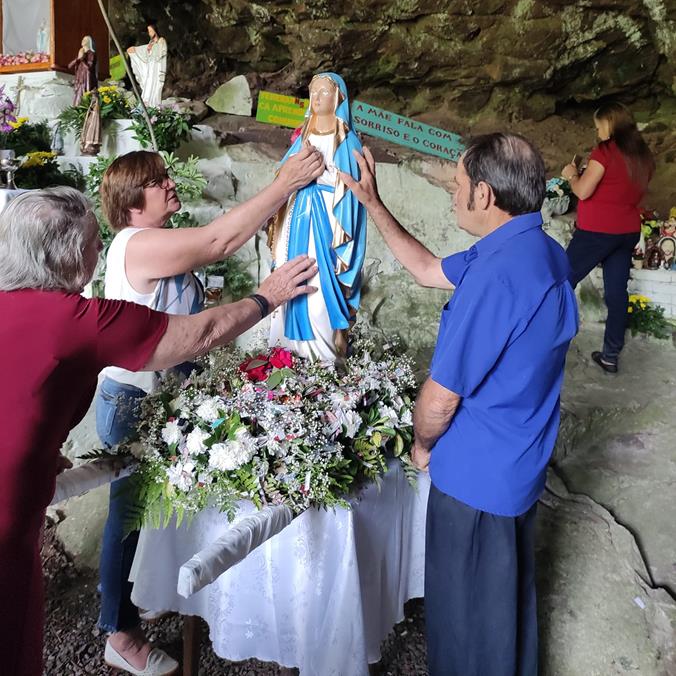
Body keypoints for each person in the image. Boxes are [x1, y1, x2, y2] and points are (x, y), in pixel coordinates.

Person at [0, 187, 317, 676]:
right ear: (65, 255)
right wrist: (268, 295)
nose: (97, 251)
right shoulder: (73, 319)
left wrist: (35, 448)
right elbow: (198, 335)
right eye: (90, 243)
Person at [340, 133, 579, 676]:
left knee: (464, 625)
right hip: (517, 471)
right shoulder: (535, 249)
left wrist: (422, 446)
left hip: (475, 481)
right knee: (504, 610)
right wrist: (373, 203)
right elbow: (427, 270)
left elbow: (440, 399)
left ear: (485, 195)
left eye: (458, 185)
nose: (453, 193)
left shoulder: (496, 278)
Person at [96, 145, 324, 674]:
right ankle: (118, 632)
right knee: (125, 520)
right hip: (134, 398)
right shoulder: (136, 244)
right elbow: (218, 241)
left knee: (152, 510)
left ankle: (143, 594)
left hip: (161, 393)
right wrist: (285, 183)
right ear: (133, 204)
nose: (170, 183)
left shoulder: (157, 243)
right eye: (157, 181)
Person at [268, 72, 366, 362]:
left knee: (319, 290)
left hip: (329, 223)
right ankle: (285, 356)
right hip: (298, 217)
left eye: (324, 92)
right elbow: (283, 175)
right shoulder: (304, 135)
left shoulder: (346, 140)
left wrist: (317, 172)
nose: (317, 97)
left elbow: (350, 185)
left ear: (338, 98)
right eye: (313, 92)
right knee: (288, 274)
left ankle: (321, 359)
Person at [562, 101, 655, 374]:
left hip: (596, 232)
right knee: (617, 295)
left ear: (610, 124)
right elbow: (620, 188)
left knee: (559, 282)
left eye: (599, 126)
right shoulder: (643, 156)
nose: (598, 132)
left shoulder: (605, 151)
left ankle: (541, 344)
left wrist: (570, 176)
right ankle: (610, 356)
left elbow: (583, 191)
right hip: (626, 232)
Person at [127, 24, 167, 106]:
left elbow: (160, 51)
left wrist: (149, 48)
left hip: (157, 66)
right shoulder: (151, 42)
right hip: (150, 66)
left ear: (155, 30)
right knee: (148, 82)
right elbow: (146, 52)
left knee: (154, 84)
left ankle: (153, 103)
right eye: (149, 31)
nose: (150, 33)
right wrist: (135, 50)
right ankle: (146, 101)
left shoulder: (161, 40)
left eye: (151, 31)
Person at [69, 35, 97, 107]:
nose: (82, 41)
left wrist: (82, 58)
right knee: (77, 100)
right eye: (82, 39)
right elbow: (70, 66)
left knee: (86, 99)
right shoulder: (82, 54)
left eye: (85, 40)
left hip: (87, 80)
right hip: (80, 81)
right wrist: (78, 58)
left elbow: (89, 68)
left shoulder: (91, 54)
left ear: (89, 42)